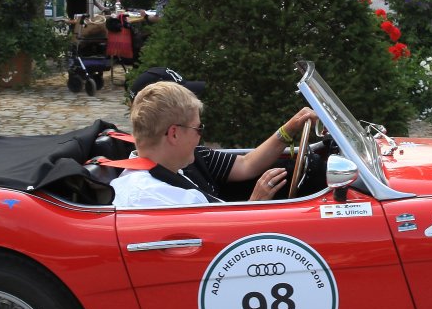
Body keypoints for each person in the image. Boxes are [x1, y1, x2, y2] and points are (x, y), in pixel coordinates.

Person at [110, 73, 317, 208]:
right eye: (198, 128)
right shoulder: (157, 198)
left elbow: (247, 164)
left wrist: (290, 129)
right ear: (174, 134)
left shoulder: (167, 171)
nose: (200, 136)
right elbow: (218, 244)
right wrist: (255, 203)